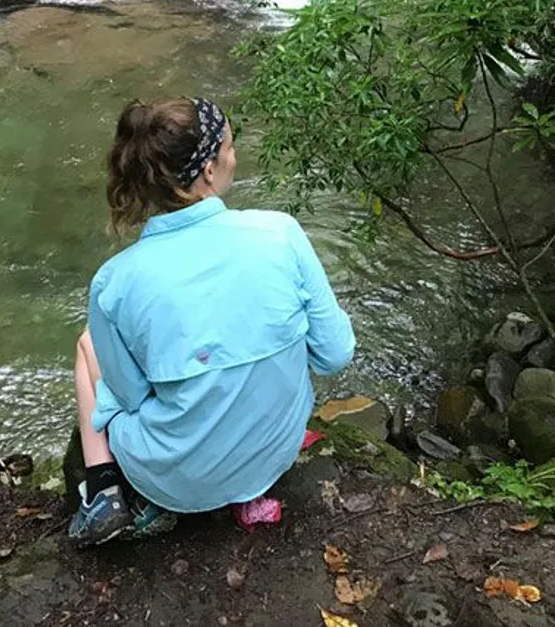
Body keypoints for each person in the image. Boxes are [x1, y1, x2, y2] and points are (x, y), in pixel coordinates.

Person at [69, 96, 355, 545]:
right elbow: (336, 354)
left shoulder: (114, 281)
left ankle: (103, 489)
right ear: (207, 170)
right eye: (230, 145)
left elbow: (127, 397)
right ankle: (242, 487)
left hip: (175, 480)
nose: (234, 156)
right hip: (270, 458)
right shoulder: (280, 232)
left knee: (88, 342)